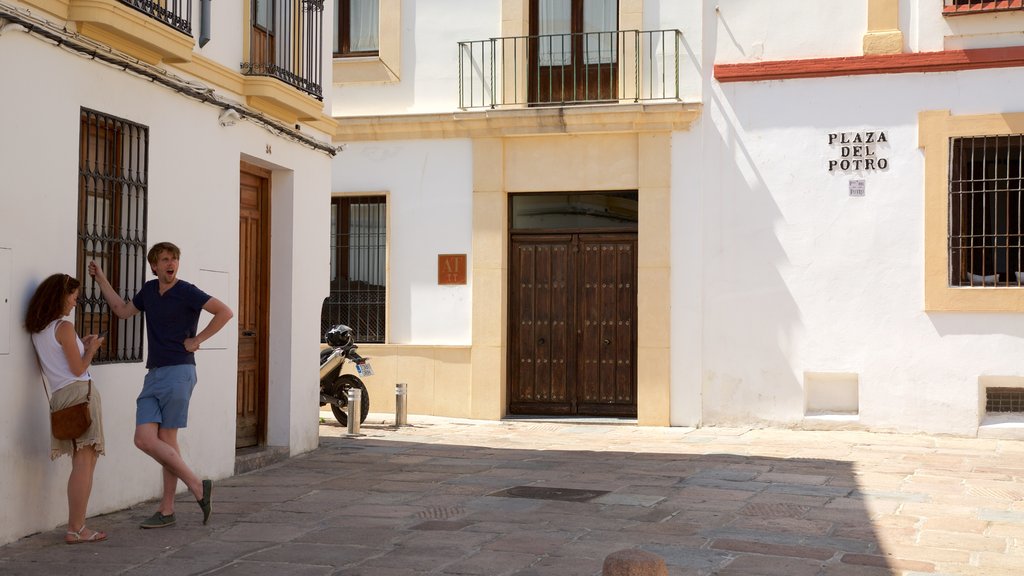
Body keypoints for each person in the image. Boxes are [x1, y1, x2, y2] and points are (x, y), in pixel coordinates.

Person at [89, 242, 233, 529]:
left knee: (165, 440)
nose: (171, 264)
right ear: (154, 265)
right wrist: (101, 278)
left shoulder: (187, 291)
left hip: (179, 371)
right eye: (165, 259)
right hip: (154, 373)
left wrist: (198, 340)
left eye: (175, 259)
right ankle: (197, 486)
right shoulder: (149, 291)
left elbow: (224, 312)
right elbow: (121, 310)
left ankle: (167, 509)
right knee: (146, 439)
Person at [25, 273, 108, 544]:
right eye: (72, 297)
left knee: (79, 462)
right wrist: (92, 348)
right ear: (60, 296)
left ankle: (76, 526)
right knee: (85, 463)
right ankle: (77, 528)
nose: (74, 303)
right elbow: (78, 368)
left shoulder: (39, 330)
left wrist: (79, 347)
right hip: (80, 395)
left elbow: (61, 363)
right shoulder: (63, 327)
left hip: (60, 397)